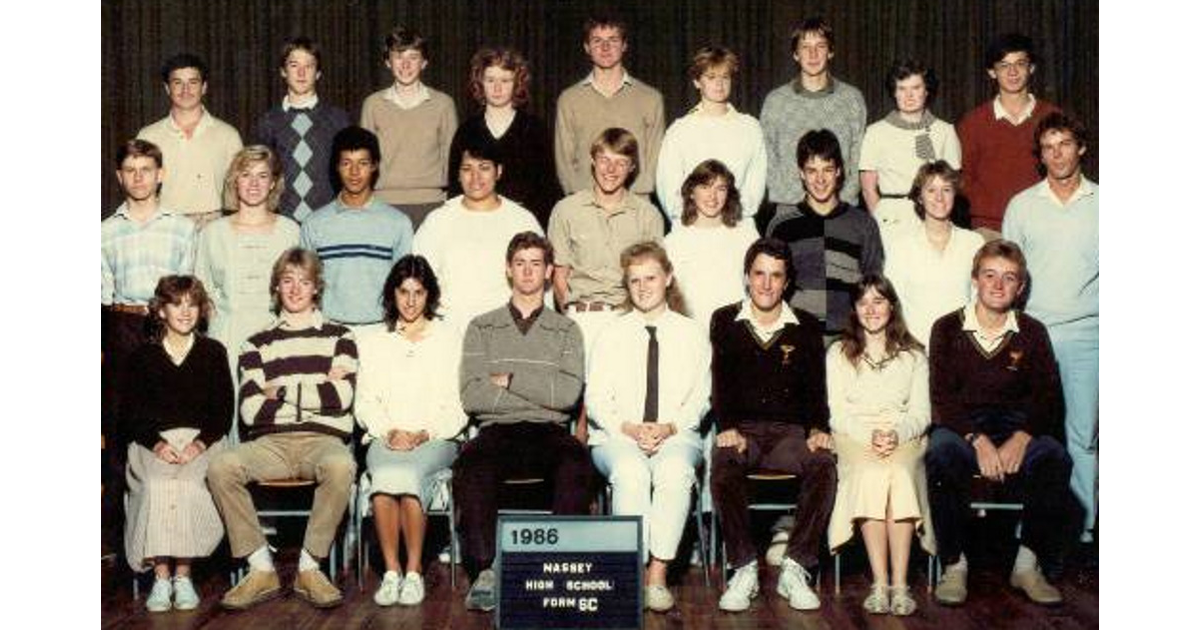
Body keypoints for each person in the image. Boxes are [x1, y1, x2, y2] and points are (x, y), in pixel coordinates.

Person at [926, 240, 1075, 607]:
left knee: (1055, 456)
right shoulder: (946, 327)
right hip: (964, 427)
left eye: (1009, 278)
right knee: (941, 453)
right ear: (975, 279)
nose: (997, 285)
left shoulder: (1033, 331)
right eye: (989, 275)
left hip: (1016, 427)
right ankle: (954, 564)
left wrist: (1022, 438)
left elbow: (1048, 397)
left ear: (1020, 287)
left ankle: (1027, 565)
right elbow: (942, 397)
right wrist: (976, 439)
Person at [207, 248, 358, 610]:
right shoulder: (255, 342)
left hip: (323, 440)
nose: (295, 289)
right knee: (220, 467)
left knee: (342, 466)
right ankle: (261, 568)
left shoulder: (341, 336)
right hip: (269, 444)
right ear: (276, 287)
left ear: (316, 288)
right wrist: (317, 388)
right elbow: (250, 409)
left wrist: (282, 392)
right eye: (287, 281)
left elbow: (342, 395)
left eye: (304, 282)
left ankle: (309, 568)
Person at [454, 232, 592, 612]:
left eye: (536, 263)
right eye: (520, 263)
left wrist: (509, 378)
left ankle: (559, 566)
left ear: (549, 271)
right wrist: (539, 389)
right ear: (508, 269)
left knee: (576, 462)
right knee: (472, 463)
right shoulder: (482, 327)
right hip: (497, 430)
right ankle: (485, 571)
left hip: (550, 431)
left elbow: (566, 397)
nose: (528, 271)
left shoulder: (567, 329)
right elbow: (473, 396)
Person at [710, 238, 834, 612]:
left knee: (824, 463)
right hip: (743, 429)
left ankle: (795, 567)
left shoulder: (806, 326)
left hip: (788, 433)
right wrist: (727, 425)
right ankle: (744, 567)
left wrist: (817, 428)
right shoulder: (725, 320)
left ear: (787, 282)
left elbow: (816, 387)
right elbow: (720, 382)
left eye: (775, 276)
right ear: (747, 277)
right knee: (724, 462)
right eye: (759, 274)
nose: (766, 284)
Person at [586, 242, 710, 613]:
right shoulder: (611, 334)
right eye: (634, 280)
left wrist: (670, 427)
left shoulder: (692, 333)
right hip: (617, 436)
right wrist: (628, 428)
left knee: (675, 470)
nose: (643, 287)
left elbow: (702, 397)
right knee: (631, 471)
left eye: (650, 278)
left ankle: (657, 575)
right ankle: (631, 571)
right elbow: (595, 400)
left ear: (668, 278)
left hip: (677, 434)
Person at [1003, 112, 1098, 543]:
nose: (1056, 153)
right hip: (1035, 335)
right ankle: (1028, 529)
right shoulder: (1023, 205)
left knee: (1082, 435)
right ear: (1039, 156)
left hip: (1089, 337)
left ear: (1080, 148)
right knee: (1032, 433)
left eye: (1065, 144)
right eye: (1047, 147)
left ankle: (1082, 530)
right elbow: (1006, 278)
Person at [356, 255, 467, 607]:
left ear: (429, 294)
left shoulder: (448, 338)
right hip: (386, 435)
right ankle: (392, 572)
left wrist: (424, 433)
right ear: (393, 293)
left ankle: (415, 571)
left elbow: (458, 404)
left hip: (435, 438)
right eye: (403, 292)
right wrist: (388, 431)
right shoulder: (375, 341)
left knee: (407, 471)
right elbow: (365, 401)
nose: (410, 301)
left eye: (418, 292)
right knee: (387, 470)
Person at [122, 275, 233, 613]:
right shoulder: (142, 356)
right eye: (177, 303)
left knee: (186, 483)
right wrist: (157, 445)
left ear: (202, 310)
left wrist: (198, 445)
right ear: (161, 310)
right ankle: (161, 577)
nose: (185, 311)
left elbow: (223, 411)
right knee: (156, 484)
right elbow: (130, 412)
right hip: (153, 443)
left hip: (202, 441)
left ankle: (183, 576)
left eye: (193, 303)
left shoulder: (214, 352)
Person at [826, 274, 932, 617]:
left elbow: (921, 412)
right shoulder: (839, 353)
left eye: (879, 301)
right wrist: (868, 435)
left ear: (892, 306)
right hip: (856, 436)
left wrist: (897, 434)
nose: (871, 309)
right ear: (854, 310)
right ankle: (879, 582)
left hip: (903, 434)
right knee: (872, 471)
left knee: (899, 471)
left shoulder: (914, 355)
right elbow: (837, 413)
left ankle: (900, 585)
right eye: (863, 302)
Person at [548, 127, 663, 357]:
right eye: (604, 160)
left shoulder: (647, 215)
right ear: (593, 161)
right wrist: (572, 318)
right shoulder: (566, 210)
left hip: (628, 319)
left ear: (632, 168)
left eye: (620, 162)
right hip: (582, 318)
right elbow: (559, 275)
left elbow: (654, 278)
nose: (611, 170)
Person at [413, 138, 543, 332]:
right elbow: (419, 282)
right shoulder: (438, 221)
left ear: (498, 171)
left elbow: (540, 283)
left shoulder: (521, 220)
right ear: (457, 174)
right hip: (449, 330)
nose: (475, 177)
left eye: (484, 168)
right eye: (467, 169)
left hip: (507, 331)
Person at [766, 129, 884, 344]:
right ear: (801, 173)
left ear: (838, 171)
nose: (820, 179)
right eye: (812, 171)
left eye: (827, 170)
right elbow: (771, 288)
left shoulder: (863, 224)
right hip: (797, 338)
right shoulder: (781, 226)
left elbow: (873, 284)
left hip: (849, 340)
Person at [195, 146, 301, 377]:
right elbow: (202, 291)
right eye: (246, 175)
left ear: (273, 182)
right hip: (227, 337)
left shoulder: (290, 231)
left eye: (262, 176)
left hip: (278, 334)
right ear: (235, 180)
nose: (254, 183)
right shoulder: (212, 233)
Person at [300, 126, 413, 334]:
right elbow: (306, 285)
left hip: (381, 331)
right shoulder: (314, 224)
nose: (354, 172)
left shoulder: (398, 223)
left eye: (363, 163)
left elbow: (405, 286)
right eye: (346, 163)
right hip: (328, 330)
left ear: (375, 166)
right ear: (336, 166)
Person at [957, 33, 1060, 238]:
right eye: (1004, 65)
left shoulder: (1053, 117)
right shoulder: (972, 122)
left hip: (1042, 225)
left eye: (1020, 64)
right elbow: (963, 179)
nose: (1012, 72)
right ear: (992, 72)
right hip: (988, 229)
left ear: (1031, 68)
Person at [448, 47, 560, 228]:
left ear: (517, 84)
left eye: (505, 80)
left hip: (523, 226)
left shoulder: (534, 129)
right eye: (490, 80)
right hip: (476, 223)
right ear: (480, 83)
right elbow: (455, 189)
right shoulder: (467, 131)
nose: (497, 88)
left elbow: (547, 190)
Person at [554, 13, 665, 197]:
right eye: (597, 41)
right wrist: (578, 199)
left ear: (624, 45)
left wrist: (637, 198)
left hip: (635, 206)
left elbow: (655, 159)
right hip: (585, 204)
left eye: (613, 40)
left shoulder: (650, 98)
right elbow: (564, 161)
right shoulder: (569, 99)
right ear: (587, 47)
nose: (605, 47)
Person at [656, 46, 768, 225]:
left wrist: (728, 218)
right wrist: (698, 223)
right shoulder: (680, 130)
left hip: (738, 227)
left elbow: (754, 189)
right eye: (711, 77)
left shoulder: (750, 128)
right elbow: (669, 192)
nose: (719, 84)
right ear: (697, 82)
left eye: (725, 77)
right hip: (691, 229)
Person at [761, 17, 866, 207]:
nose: (813, 54)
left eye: (820, 46)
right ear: (795, 54)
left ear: (831, 52)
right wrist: (788, 197)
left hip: (840, 208)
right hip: (790, 208)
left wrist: (843, 199)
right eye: (805, 47)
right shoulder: (776, 101)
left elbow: (859, 157)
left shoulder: (852, 99)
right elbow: (767, 157)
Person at [360, 25, 458, 229]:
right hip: (384, 204)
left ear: (424, 63)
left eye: (413, 57)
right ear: (388, 62)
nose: (405, 64)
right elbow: (364, 161)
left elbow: (453, 159)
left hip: (432, 204)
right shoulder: (373, 104)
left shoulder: (443, 104)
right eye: (398, 57)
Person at [137, 53, 243, 229]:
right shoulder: (148, 136)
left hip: (215, 226)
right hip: (164, 226)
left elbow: (239, 191)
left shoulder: (228, 135)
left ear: (204, 87)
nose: (185, 90)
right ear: (167, 88)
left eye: (193, 82)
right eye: (178, 83)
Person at [884, 161, 984, 347]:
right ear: (920, 197)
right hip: (915, 350)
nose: (939, 197)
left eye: (946, 189)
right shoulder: (901, 247)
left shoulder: (974, 243)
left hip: (962, 348)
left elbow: (978, 300)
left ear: (954, 194)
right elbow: (893, 304)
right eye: (931, 190)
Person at [252, 36, 351, 222]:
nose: (301, 72)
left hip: (329, 221)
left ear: (318, 73)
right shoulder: (268, 121)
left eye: (309, 66)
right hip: (282, 222)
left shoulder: (338, 119)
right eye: (294, 65)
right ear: (283, 71)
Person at [859, 59, 961, 236]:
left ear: (927, 91)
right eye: (902, 89)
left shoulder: (945, 131)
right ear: (894, 93)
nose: (909, 96)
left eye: (916, 88)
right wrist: (880, 221)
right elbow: (868, 188)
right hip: (891, 218)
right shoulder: (876, 132)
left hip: (933, 216)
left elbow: (953, 184)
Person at [663, 159, 759, 330]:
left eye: (720, 188)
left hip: (736, 332)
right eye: (705, 187)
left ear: (728, 193)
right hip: (691, 332)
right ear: (691, 192)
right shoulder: (673, 242)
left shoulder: (746, 236)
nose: (712, 197)